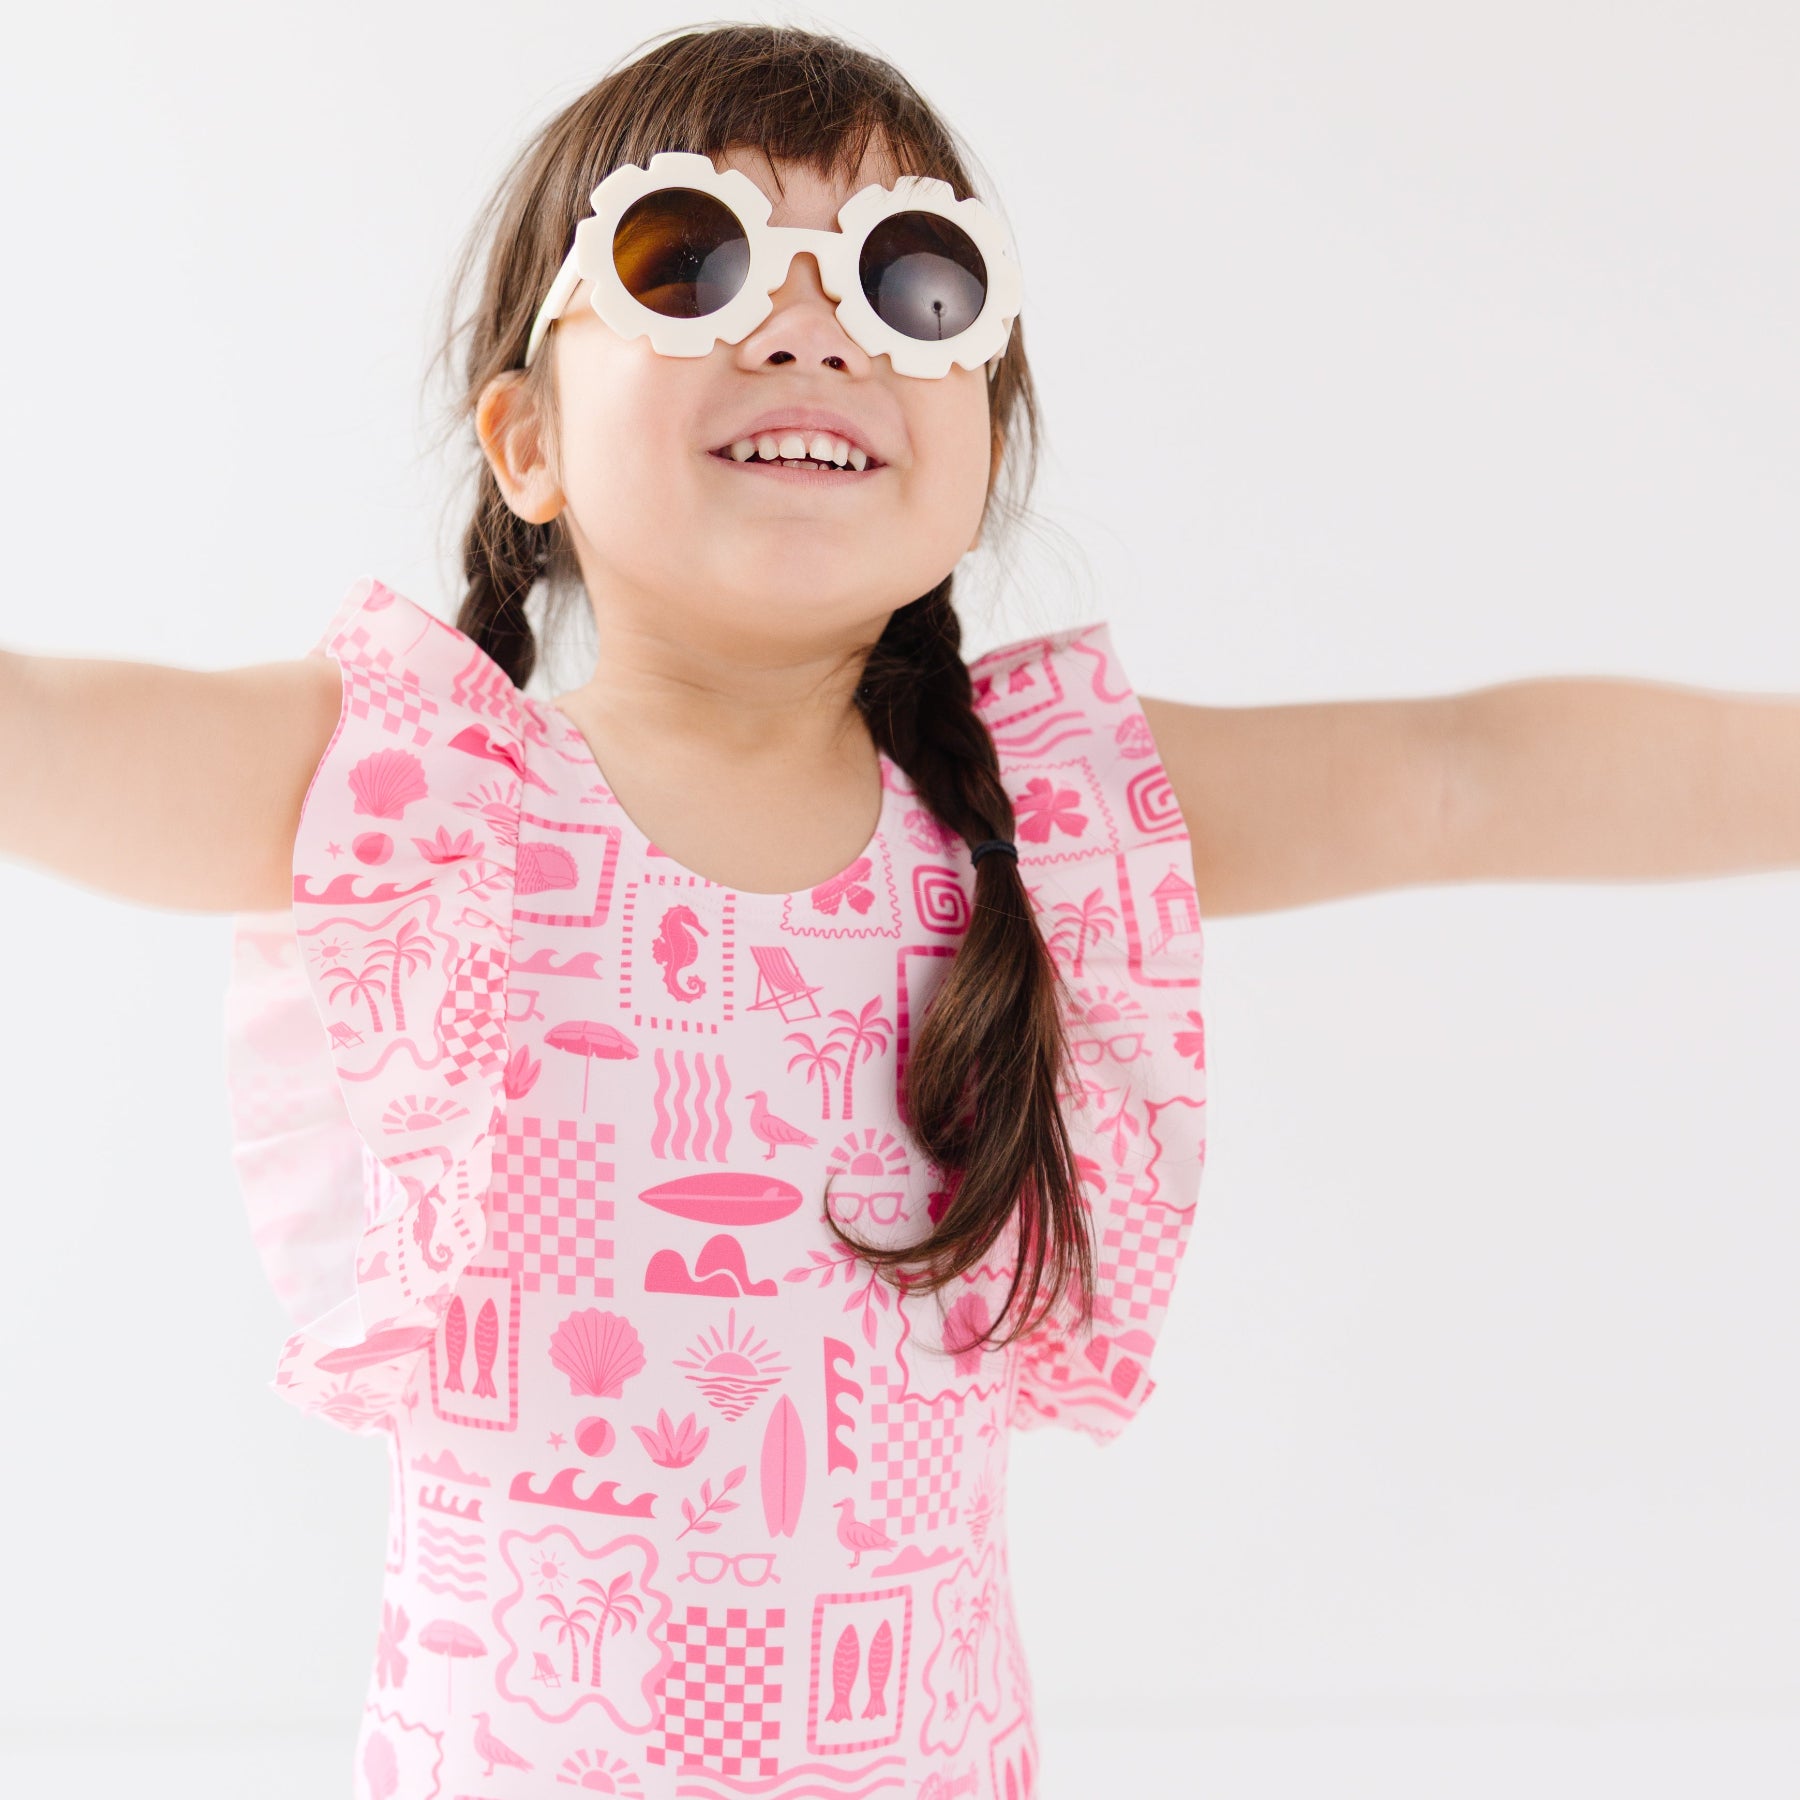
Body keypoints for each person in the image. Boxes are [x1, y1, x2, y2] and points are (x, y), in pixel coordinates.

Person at [1, 23, 1794, 1799]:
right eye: (684, 261)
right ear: (524, 441)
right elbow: (46, 731)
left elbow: (1466, 770)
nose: (809, 322)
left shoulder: (1047, 817)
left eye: (908, 282)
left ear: (981, 454)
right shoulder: (419, 802)